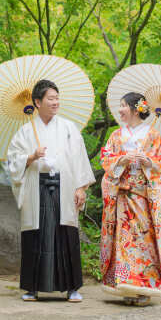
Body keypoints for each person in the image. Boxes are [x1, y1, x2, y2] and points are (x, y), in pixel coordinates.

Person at [6, 79, 95, 303]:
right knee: (36, 235)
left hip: (64, 187)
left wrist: (81, 187)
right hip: (36, 187)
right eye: (51, 98)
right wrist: (31, 156)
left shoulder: (68, 128)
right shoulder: (25, 131)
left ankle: (72, 288)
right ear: (38, 102)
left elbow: (79, 159)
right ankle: (32, 288)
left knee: (66, 234)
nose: (56, 102)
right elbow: (13, 161)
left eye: (57, 98)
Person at [100, 92, 161, 306]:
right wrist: (122, 159)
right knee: (123, 241)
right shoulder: (116, 135)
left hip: (143, 197)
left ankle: (145, 287)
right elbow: (105, 157)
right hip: (122, 195)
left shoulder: (153, 134)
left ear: (135, 109)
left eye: (123, 105)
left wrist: (148, 161)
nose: (120, 110)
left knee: (143, 240)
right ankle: (125, 285)